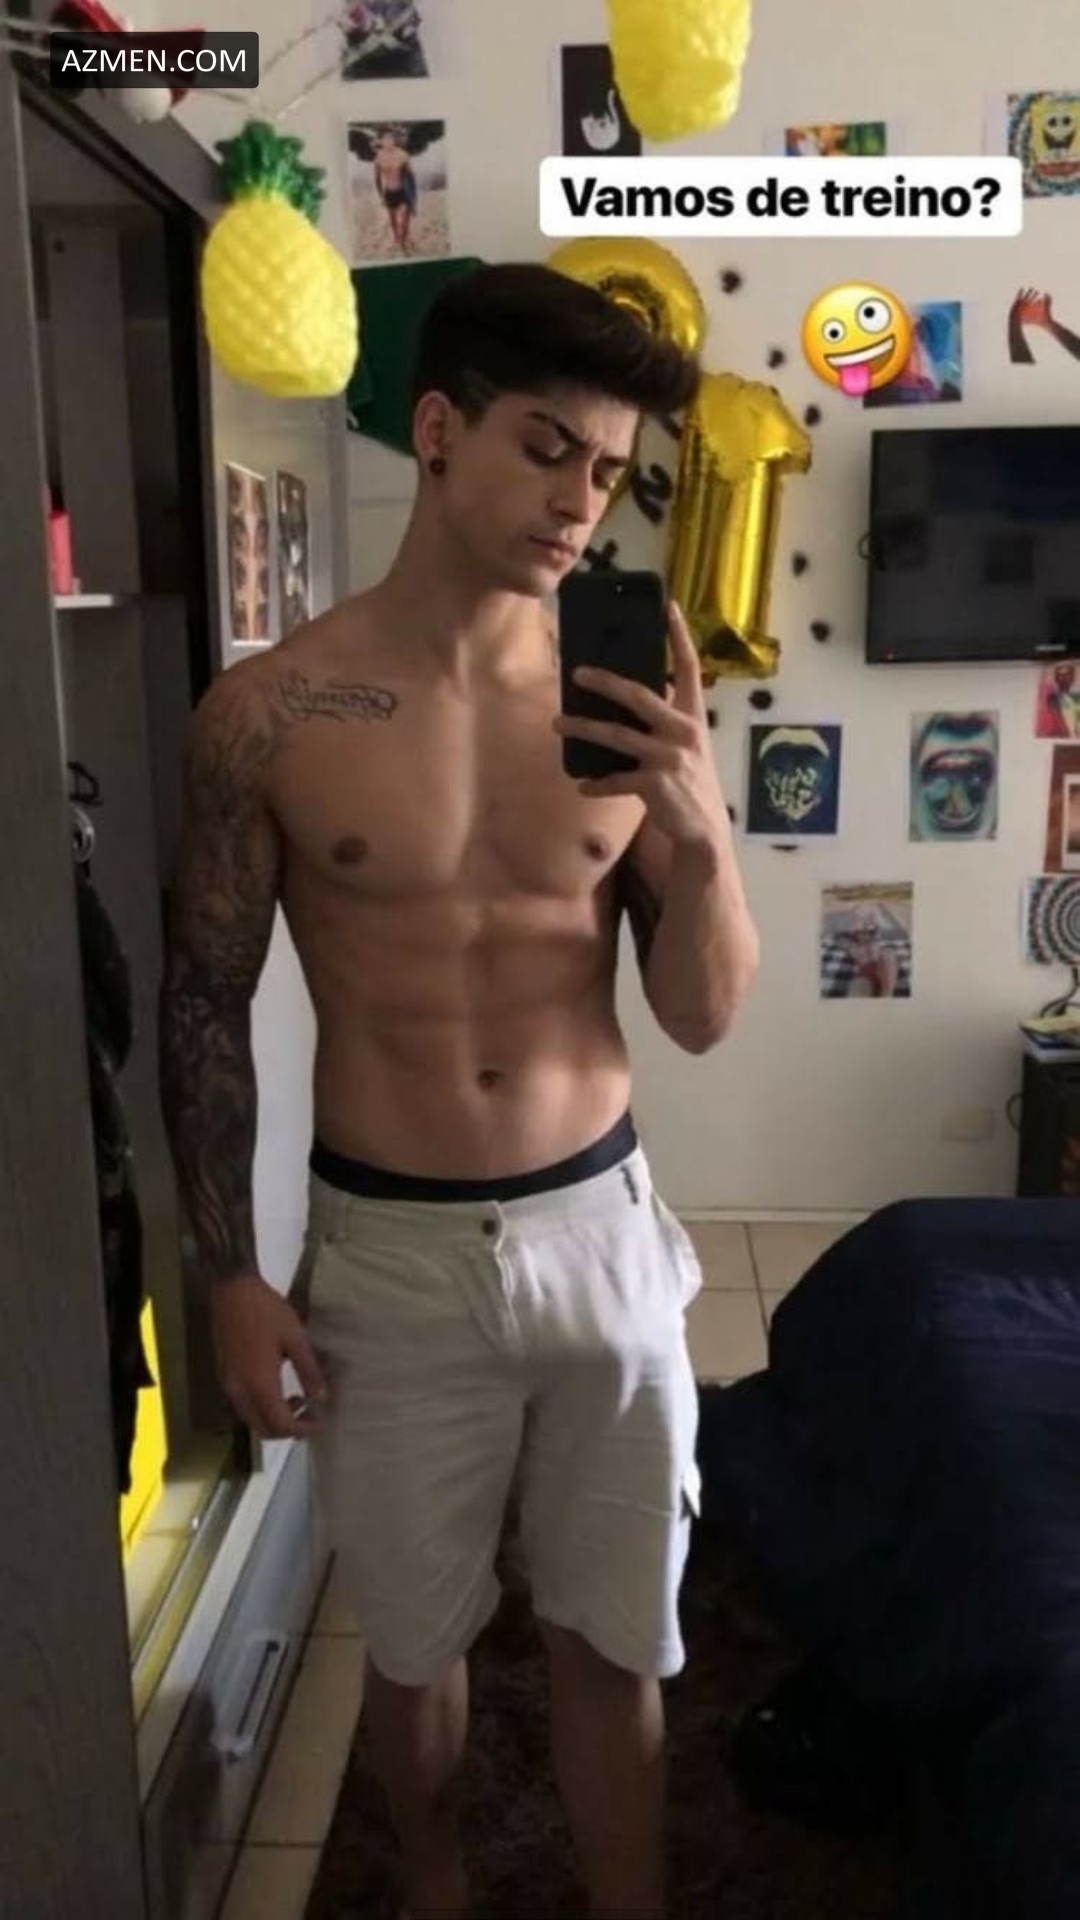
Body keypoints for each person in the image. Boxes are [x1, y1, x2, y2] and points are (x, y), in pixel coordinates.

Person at [158, 261, 760, 1920]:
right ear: (438, 431)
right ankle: (433, 1891)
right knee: (415, 1648)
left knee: (615, 1640)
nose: (580, 502)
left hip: (600, 1234)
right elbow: (203, 1006)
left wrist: (703, 834)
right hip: (392, 1256)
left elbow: (703, 1016)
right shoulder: (269, 714)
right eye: (546, 448)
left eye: (609, 472)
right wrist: (230, 1279)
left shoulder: (631, 700)